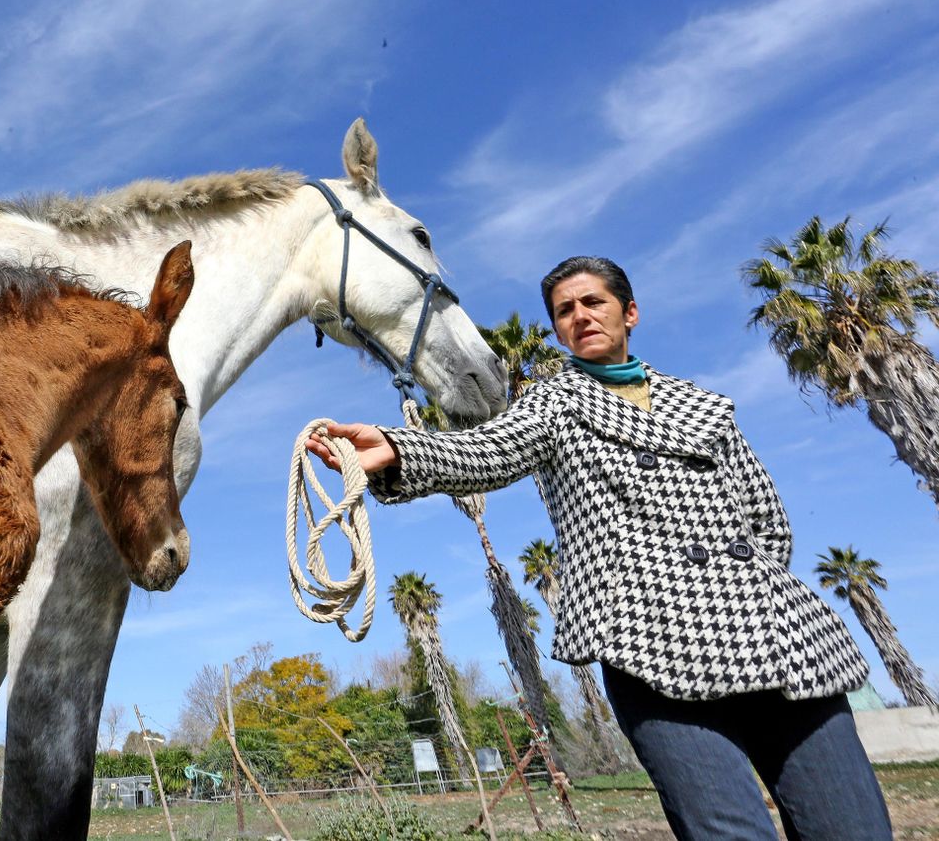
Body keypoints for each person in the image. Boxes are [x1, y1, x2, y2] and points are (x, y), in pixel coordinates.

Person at [308, 255, 891, 841]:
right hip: (650, 644)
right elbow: (489, 451)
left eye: (593, 302)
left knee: (854, 827)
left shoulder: (706, 408)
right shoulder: (554, 403)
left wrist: (749, 591)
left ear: (629, 312)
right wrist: (398, 448)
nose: (579, 316)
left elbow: (767, 521)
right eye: (564, 311)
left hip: (779, 637)